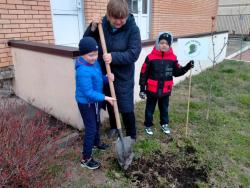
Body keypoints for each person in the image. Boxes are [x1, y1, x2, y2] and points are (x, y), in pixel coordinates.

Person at [83, 0, 141, 140]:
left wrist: (113, 57)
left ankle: (131, 134)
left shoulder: (132, 29)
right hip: (106, 73)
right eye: (116, 18)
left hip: (123, 75)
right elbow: (87, 42)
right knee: (110, 101)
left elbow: (134, 53)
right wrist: (92, 27)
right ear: (108, 15)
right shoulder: (102, 25)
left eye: (123, 19)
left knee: (126, 105)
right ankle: (115, 127)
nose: (119, 22)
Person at [139, 32, 194, 136]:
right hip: (151, 90)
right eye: (162, 42)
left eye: (166, 43)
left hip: (165, 90)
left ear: (170, 45)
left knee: (164, 108)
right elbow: (143, 73)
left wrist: (187, 67)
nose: (164, 45)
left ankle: (164, 124)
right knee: (149, 109)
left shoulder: (173, 58)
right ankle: (148, 125)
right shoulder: (150, 58)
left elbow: (177, 72)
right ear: (157, 43)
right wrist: (142, 89)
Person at [75, 36, 116, 170]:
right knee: (91, 128)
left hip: (95, 100)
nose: (94, 58)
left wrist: (106, 78)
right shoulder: (82, 70)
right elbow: (88, 92)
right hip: (86, 103)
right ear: (83, 54)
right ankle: (85, 159)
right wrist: (105, 98)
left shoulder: (95, 63)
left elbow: (98, 79)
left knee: (97, 122)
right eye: (90, 55)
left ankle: (96, 143)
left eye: (95, 54)